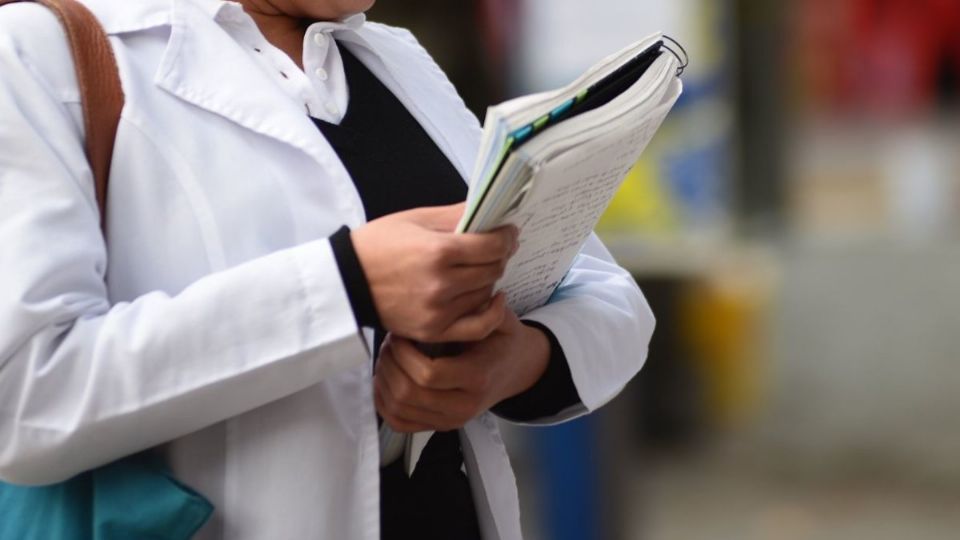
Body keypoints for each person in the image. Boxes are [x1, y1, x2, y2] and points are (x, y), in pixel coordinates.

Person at [0, 0, 655, 538]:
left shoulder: (392, 59)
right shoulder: (39, 54)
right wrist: (346, 285)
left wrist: (514, 363)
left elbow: (609, 295)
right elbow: (26, 398)